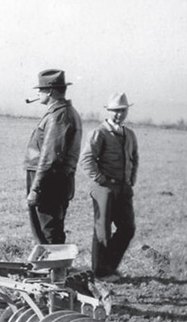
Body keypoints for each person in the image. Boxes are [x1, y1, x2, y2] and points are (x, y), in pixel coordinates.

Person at [79, 93, 138, 282]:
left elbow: (134, 159)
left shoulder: (129, 134)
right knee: (102, 230)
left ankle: (110, 267)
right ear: (108, 111)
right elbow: (86, 159)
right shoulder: (99, 133)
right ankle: (100, 272)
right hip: (104, 188)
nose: (119, 115)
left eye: (123, 111)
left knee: (127, 229)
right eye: (116, 111)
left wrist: (130, 181)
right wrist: (101, 179)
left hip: (123, 189)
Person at [25, 69, 82, 244]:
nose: (38, 93)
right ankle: (52, 269)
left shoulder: (59, 115)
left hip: (48, 181)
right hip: (53, 179)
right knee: (49, 229)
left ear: (50, 91)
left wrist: (36, 188)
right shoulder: (61, 112)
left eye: (40, 89)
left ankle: (54, 269)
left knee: (47, 232)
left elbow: (50, 157)